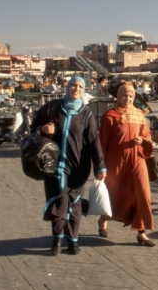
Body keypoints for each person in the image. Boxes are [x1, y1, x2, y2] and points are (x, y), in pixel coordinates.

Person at [30, 76, 106, 256]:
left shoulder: (86, 114)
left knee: (75, 202)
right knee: (60, 199)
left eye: (80, 86)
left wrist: (100, 167)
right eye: (73, 85)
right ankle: (57, 239)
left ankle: (72, 240)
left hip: (79, 167)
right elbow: (33, 126)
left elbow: (94, 141)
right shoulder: (52, 107)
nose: (76, 88)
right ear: (67, 86)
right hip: (53, 165)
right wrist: (42, 130)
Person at [98, 83, 155, 246]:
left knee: (143, 194)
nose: (128, 99)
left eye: (131, 96)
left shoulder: (139, 115)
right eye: (124, 95)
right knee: (114, 196)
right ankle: (103, 218)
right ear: (118, 96)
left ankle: (141, 232)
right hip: (116, 163)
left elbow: (147, 136)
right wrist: (100, 166)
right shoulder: (110, 116)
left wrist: (143, 141)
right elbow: (102, 143)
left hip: (137, 160)